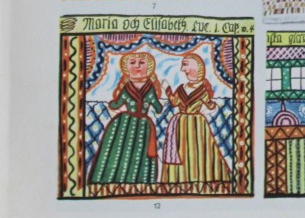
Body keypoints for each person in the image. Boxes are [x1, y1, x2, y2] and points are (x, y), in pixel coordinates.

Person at [88, 51, 162, 185]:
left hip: (142, 126)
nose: (137, 66)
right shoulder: (127, 87)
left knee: (140, 153)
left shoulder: (149, 88)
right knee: (118, 150)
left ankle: (139, 183)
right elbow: (117, 104)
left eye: (142, 63)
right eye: (132, 63)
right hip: (124, 124)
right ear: (126, 68)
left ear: (149, 67)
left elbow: (157, 107)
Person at [160, 53, 231, 185]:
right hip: (180, 122)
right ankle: (179, 179)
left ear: (195, 67)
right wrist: (168, 89)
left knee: (198, 149)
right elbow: (174, 102)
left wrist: (207, 110)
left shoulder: (203, 89)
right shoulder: (182, 87)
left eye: (185, 65)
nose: (183, 69)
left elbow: (211, 105)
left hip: (197, 123)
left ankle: (199, 177)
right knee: (179, 150)